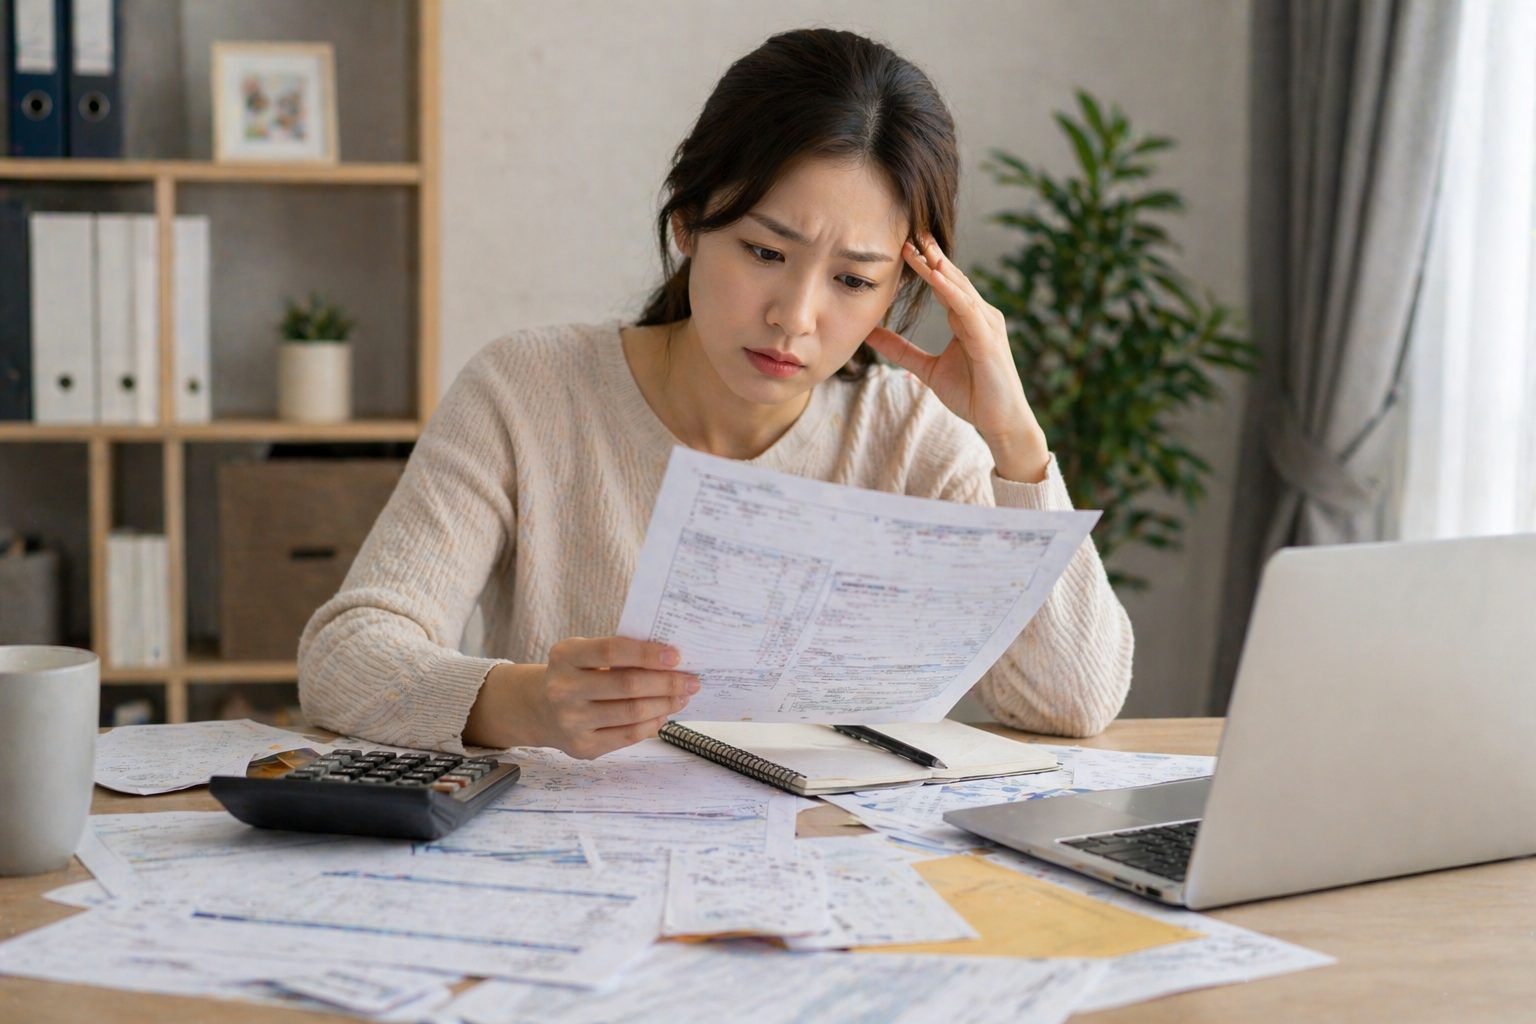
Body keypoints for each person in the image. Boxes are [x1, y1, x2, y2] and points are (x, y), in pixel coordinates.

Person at [298, 28, 1133, 757]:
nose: (795, 317)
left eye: (852, 279)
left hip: (834, 882)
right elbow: (346, 655)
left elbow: (1074, 701)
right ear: (688, 222)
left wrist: (1015, 442)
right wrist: (524, 703)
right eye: (766, 253)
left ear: (900, 293)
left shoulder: (913, 434)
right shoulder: (528, 391)